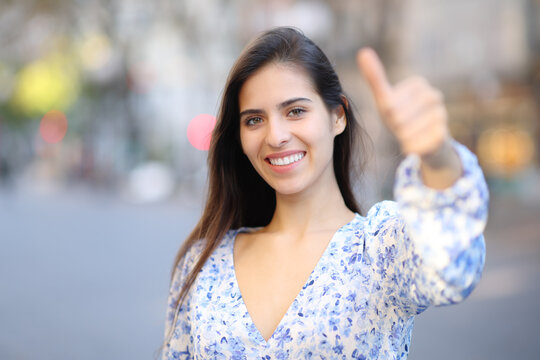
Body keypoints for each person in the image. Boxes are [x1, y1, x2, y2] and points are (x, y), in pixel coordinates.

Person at [161, 27, 488, 359]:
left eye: (296, 111)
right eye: (254, 120)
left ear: (337, 117)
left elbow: (454, 270)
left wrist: (439, 158)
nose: (275, 136)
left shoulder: (379, 249)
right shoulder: (203, 262)